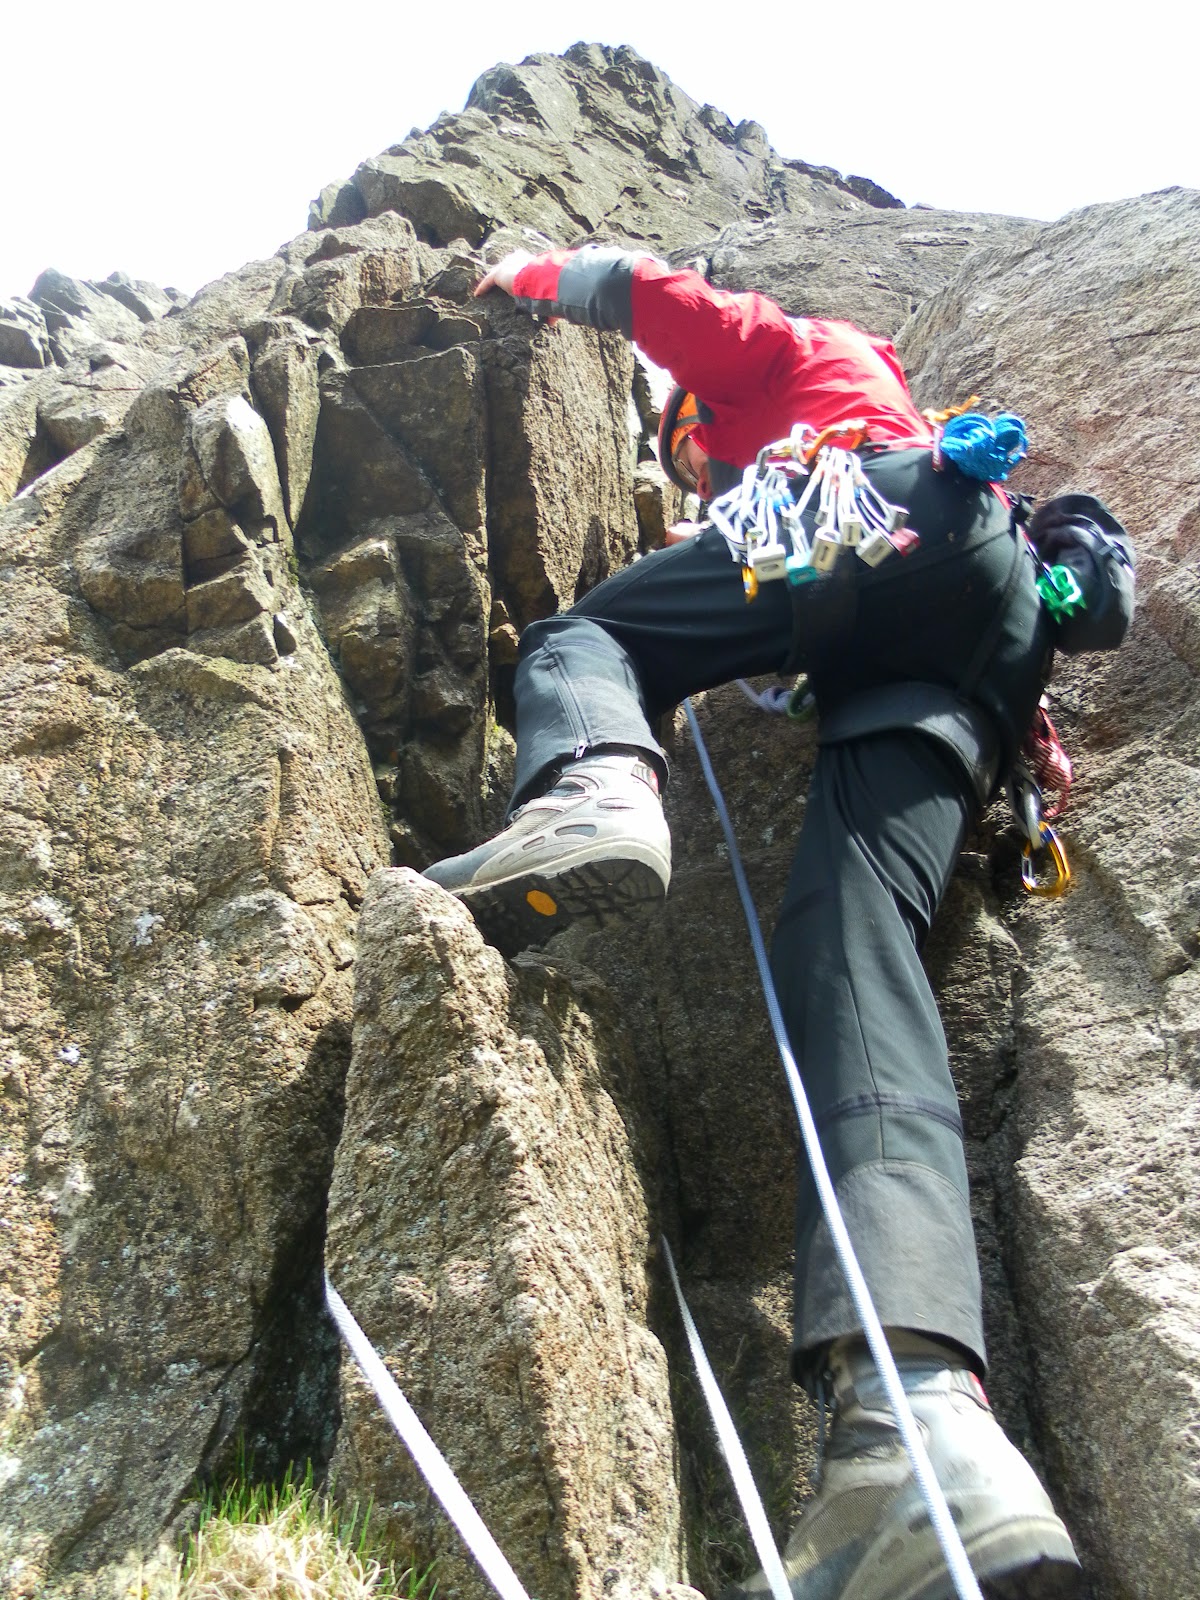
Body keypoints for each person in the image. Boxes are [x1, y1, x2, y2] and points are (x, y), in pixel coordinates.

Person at [425, 245, 1082, 1600]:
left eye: (690, 450)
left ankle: (592, 787)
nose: (696, 470)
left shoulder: (792, 366)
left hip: (861, 514)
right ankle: (916, 1427)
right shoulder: (930, 440)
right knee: (856, 955)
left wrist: (547, 273)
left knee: (582, 643)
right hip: (979, 633)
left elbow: (685, 311)